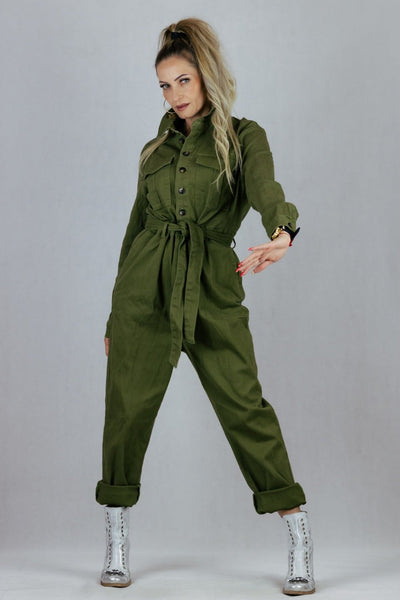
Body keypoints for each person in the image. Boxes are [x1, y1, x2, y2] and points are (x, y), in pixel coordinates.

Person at [95, 17, 315, 596]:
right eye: (164, 85)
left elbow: (266, 190)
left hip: (213, 289)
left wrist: (284, 231)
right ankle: (116, 537)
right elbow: (135, 230)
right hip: (144, 289)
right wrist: (115, 315)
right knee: (126, 410)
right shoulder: (155, 148)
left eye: (184, 80)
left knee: (245, 407)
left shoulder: (243, 137)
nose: (174, 95)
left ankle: (297, 534)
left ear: (207, 75)